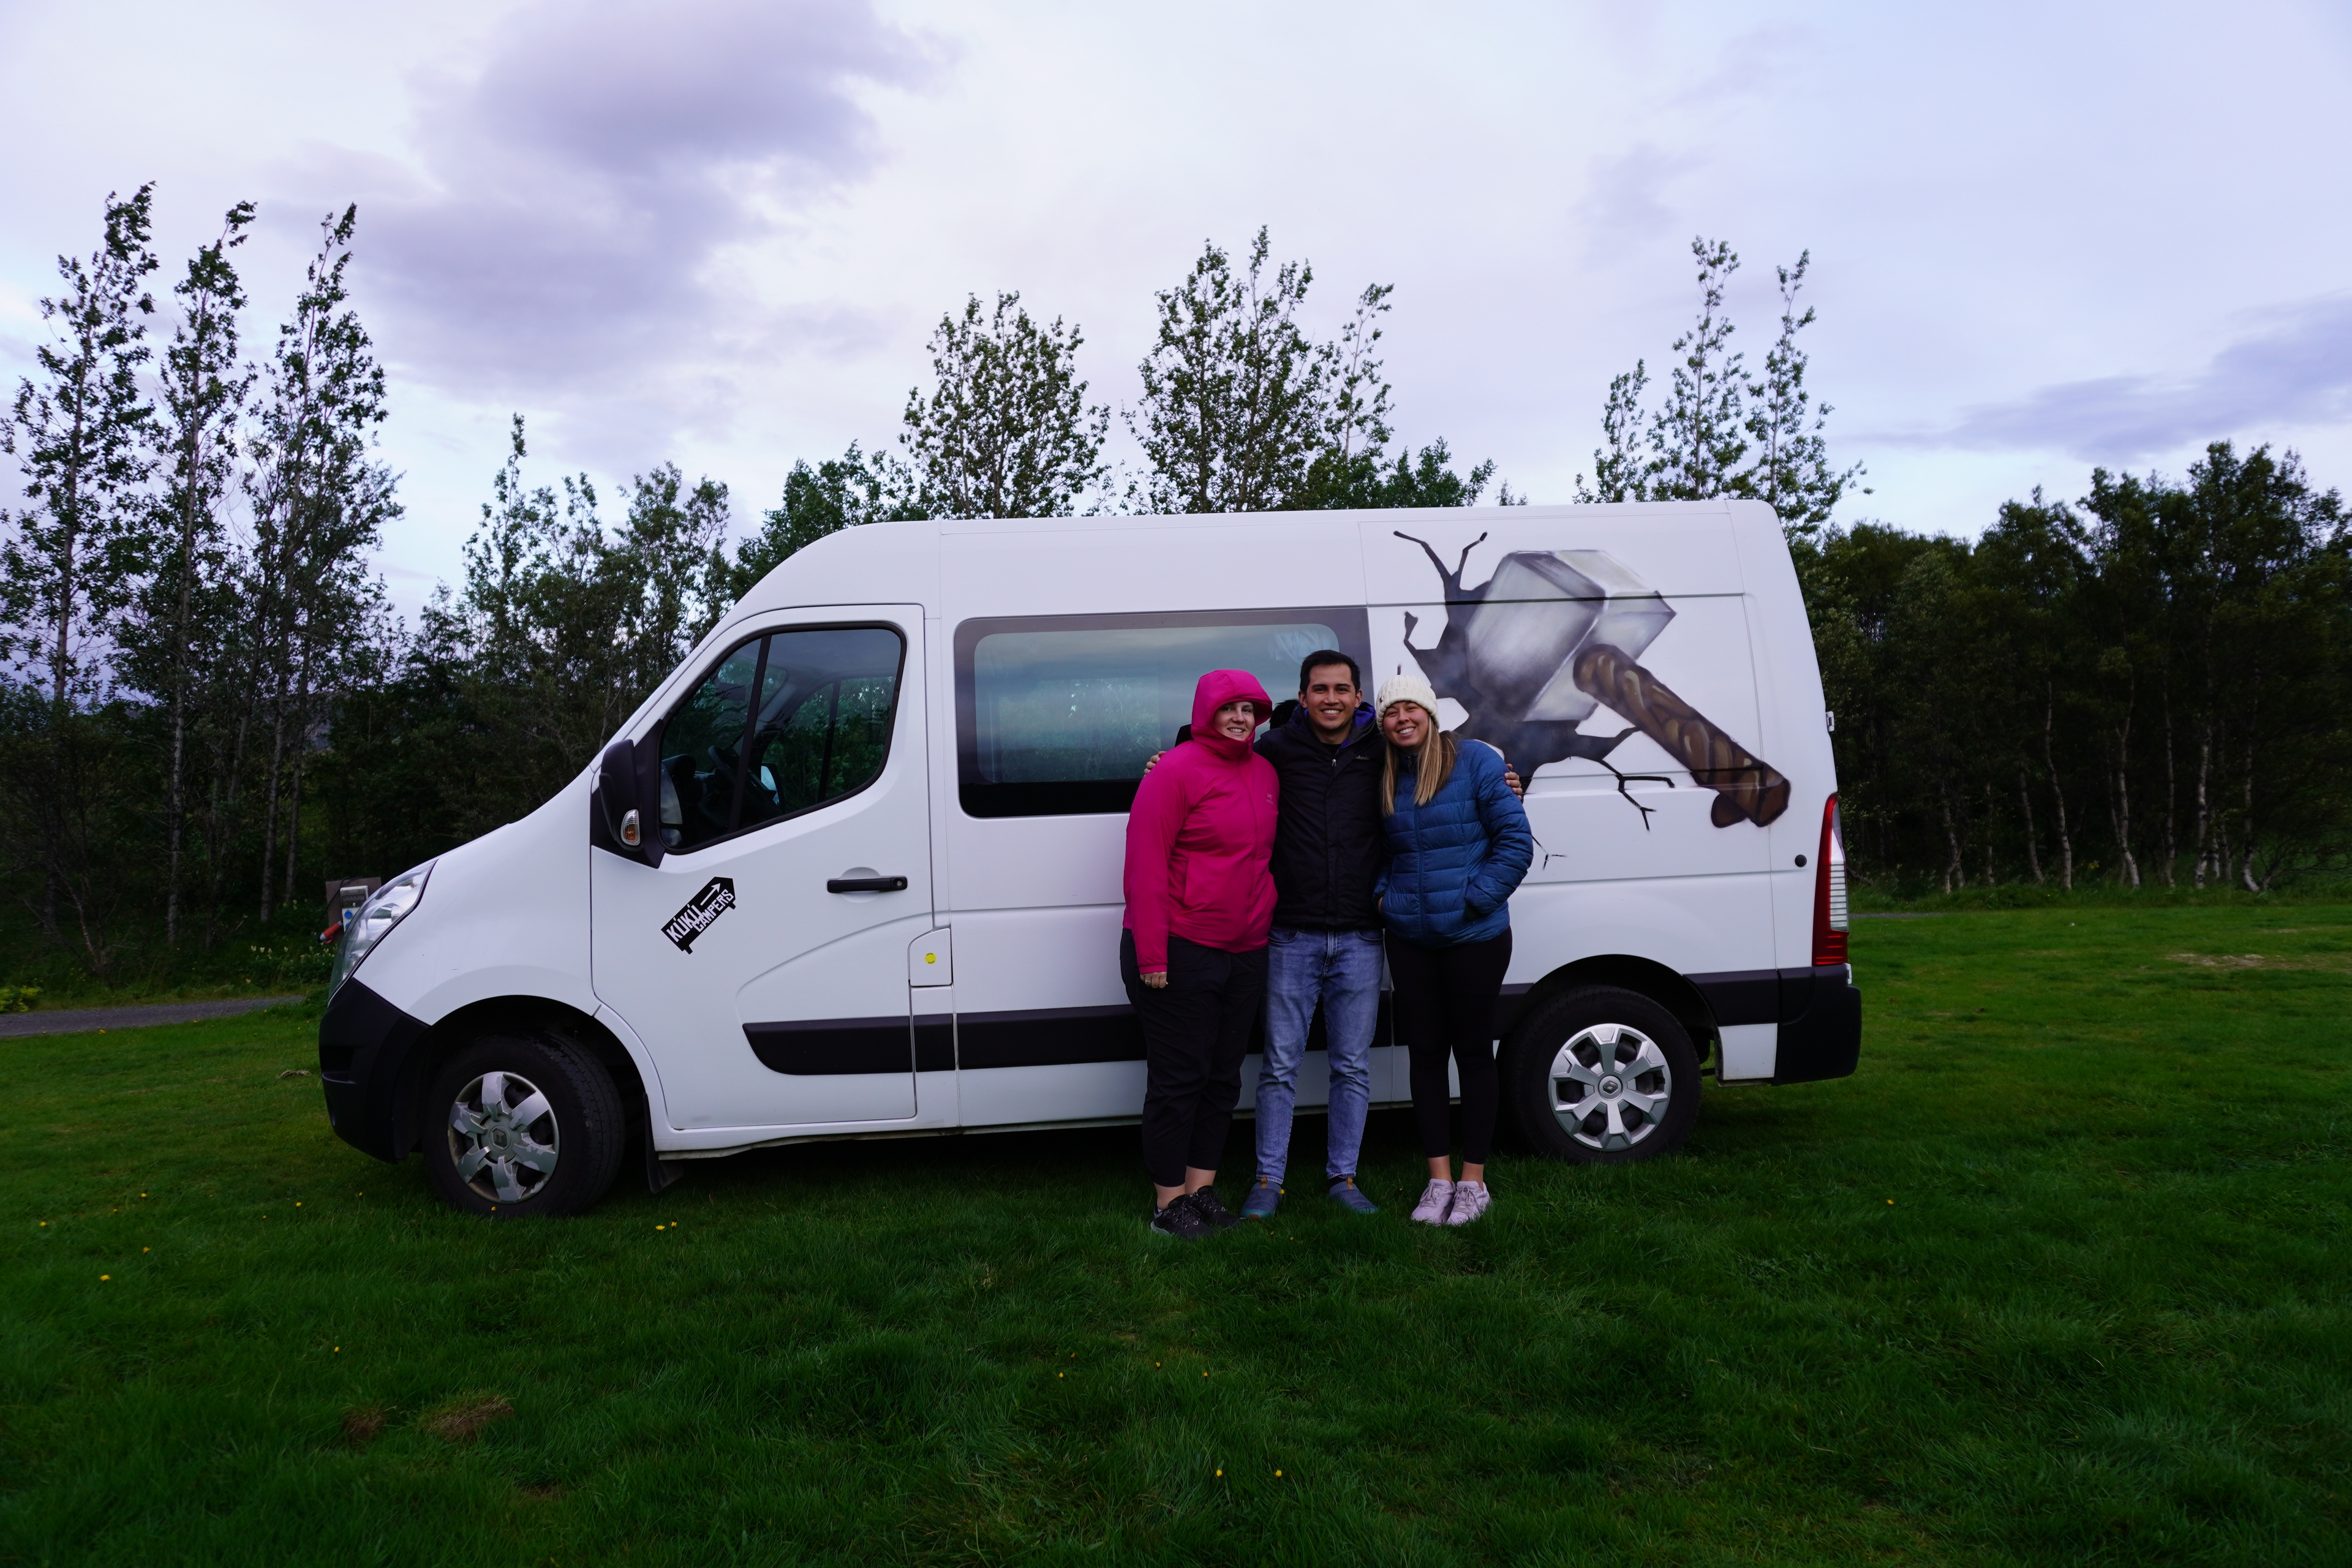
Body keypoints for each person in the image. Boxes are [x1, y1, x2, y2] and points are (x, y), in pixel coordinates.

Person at [1121, 669, 1280, 1238]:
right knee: (1179, 1079)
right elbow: (1145, 864)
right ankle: (1168, 1204)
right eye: (1228, 708)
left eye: (1249, 709)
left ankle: (1201, 1190)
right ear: (1205, 713)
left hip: (1245, 948)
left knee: (1222, 1077)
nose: (1240, 718)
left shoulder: (1265, 772)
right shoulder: (1174, 771)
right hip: (1180, 947)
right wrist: (1151, 955)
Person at [1373, 673, 1532, 1227]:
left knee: (1472, 1051)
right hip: (1410, 938)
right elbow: (1381, 851)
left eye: (1411, 708)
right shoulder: (1386, 775)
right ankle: (1438, 1180)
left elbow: (1515, 842)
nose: (1402, 719)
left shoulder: (1477, 762)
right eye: (1392, 713)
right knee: (1425, 1055)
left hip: (1474, 937)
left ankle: (1473, 1183)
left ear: (1430, 713)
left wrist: (1476, 900)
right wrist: (1384, 897)